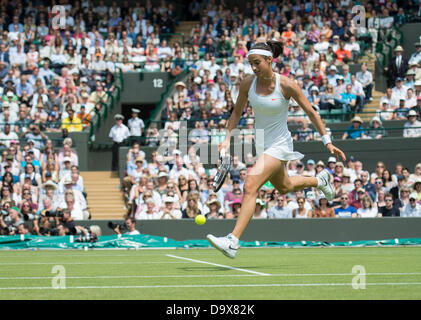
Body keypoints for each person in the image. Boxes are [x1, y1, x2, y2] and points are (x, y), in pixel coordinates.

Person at [206, 41, 345, 258]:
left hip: (280, 144)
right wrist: (226, 139)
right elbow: (236, 113)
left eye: (257, 63)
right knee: (284, 186)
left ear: (270, 60)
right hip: (262, 144)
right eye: (251, 63)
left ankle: (232, 241)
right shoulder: (247, 84)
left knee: (250, 184)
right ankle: (320, 181)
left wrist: (327, 141)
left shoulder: (287, 85)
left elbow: (310, 112)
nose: (254, 68)